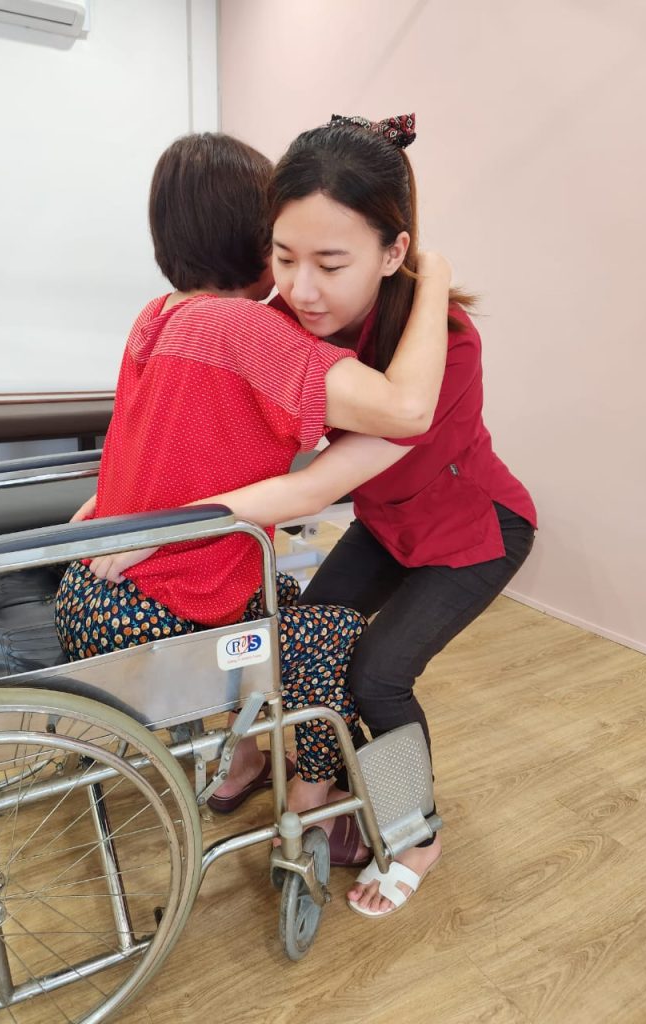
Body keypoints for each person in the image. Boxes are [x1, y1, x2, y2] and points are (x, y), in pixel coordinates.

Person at [55, 132, 453, 817]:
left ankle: (244, 761)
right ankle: (326, 809)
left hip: (92, 595)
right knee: (335, 640)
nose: (302, 282)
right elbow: (406, 409)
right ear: (257, 235)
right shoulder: (247, 331)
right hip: (163, 617)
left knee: (282, 604)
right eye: (286, 249)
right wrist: (437, 274)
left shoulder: (158, 318)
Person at [264, 114, 537, 916]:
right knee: (312, 628)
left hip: (476, 533)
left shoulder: (445, 343)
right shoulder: (290, 320)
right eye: (284, 258)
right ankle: (337, 784)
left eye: (330, 262)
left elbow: (323, 475)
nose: (301, 287)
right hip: (389, 523)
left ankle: (416, 831)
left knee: (378, 675)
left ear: (393, 252)